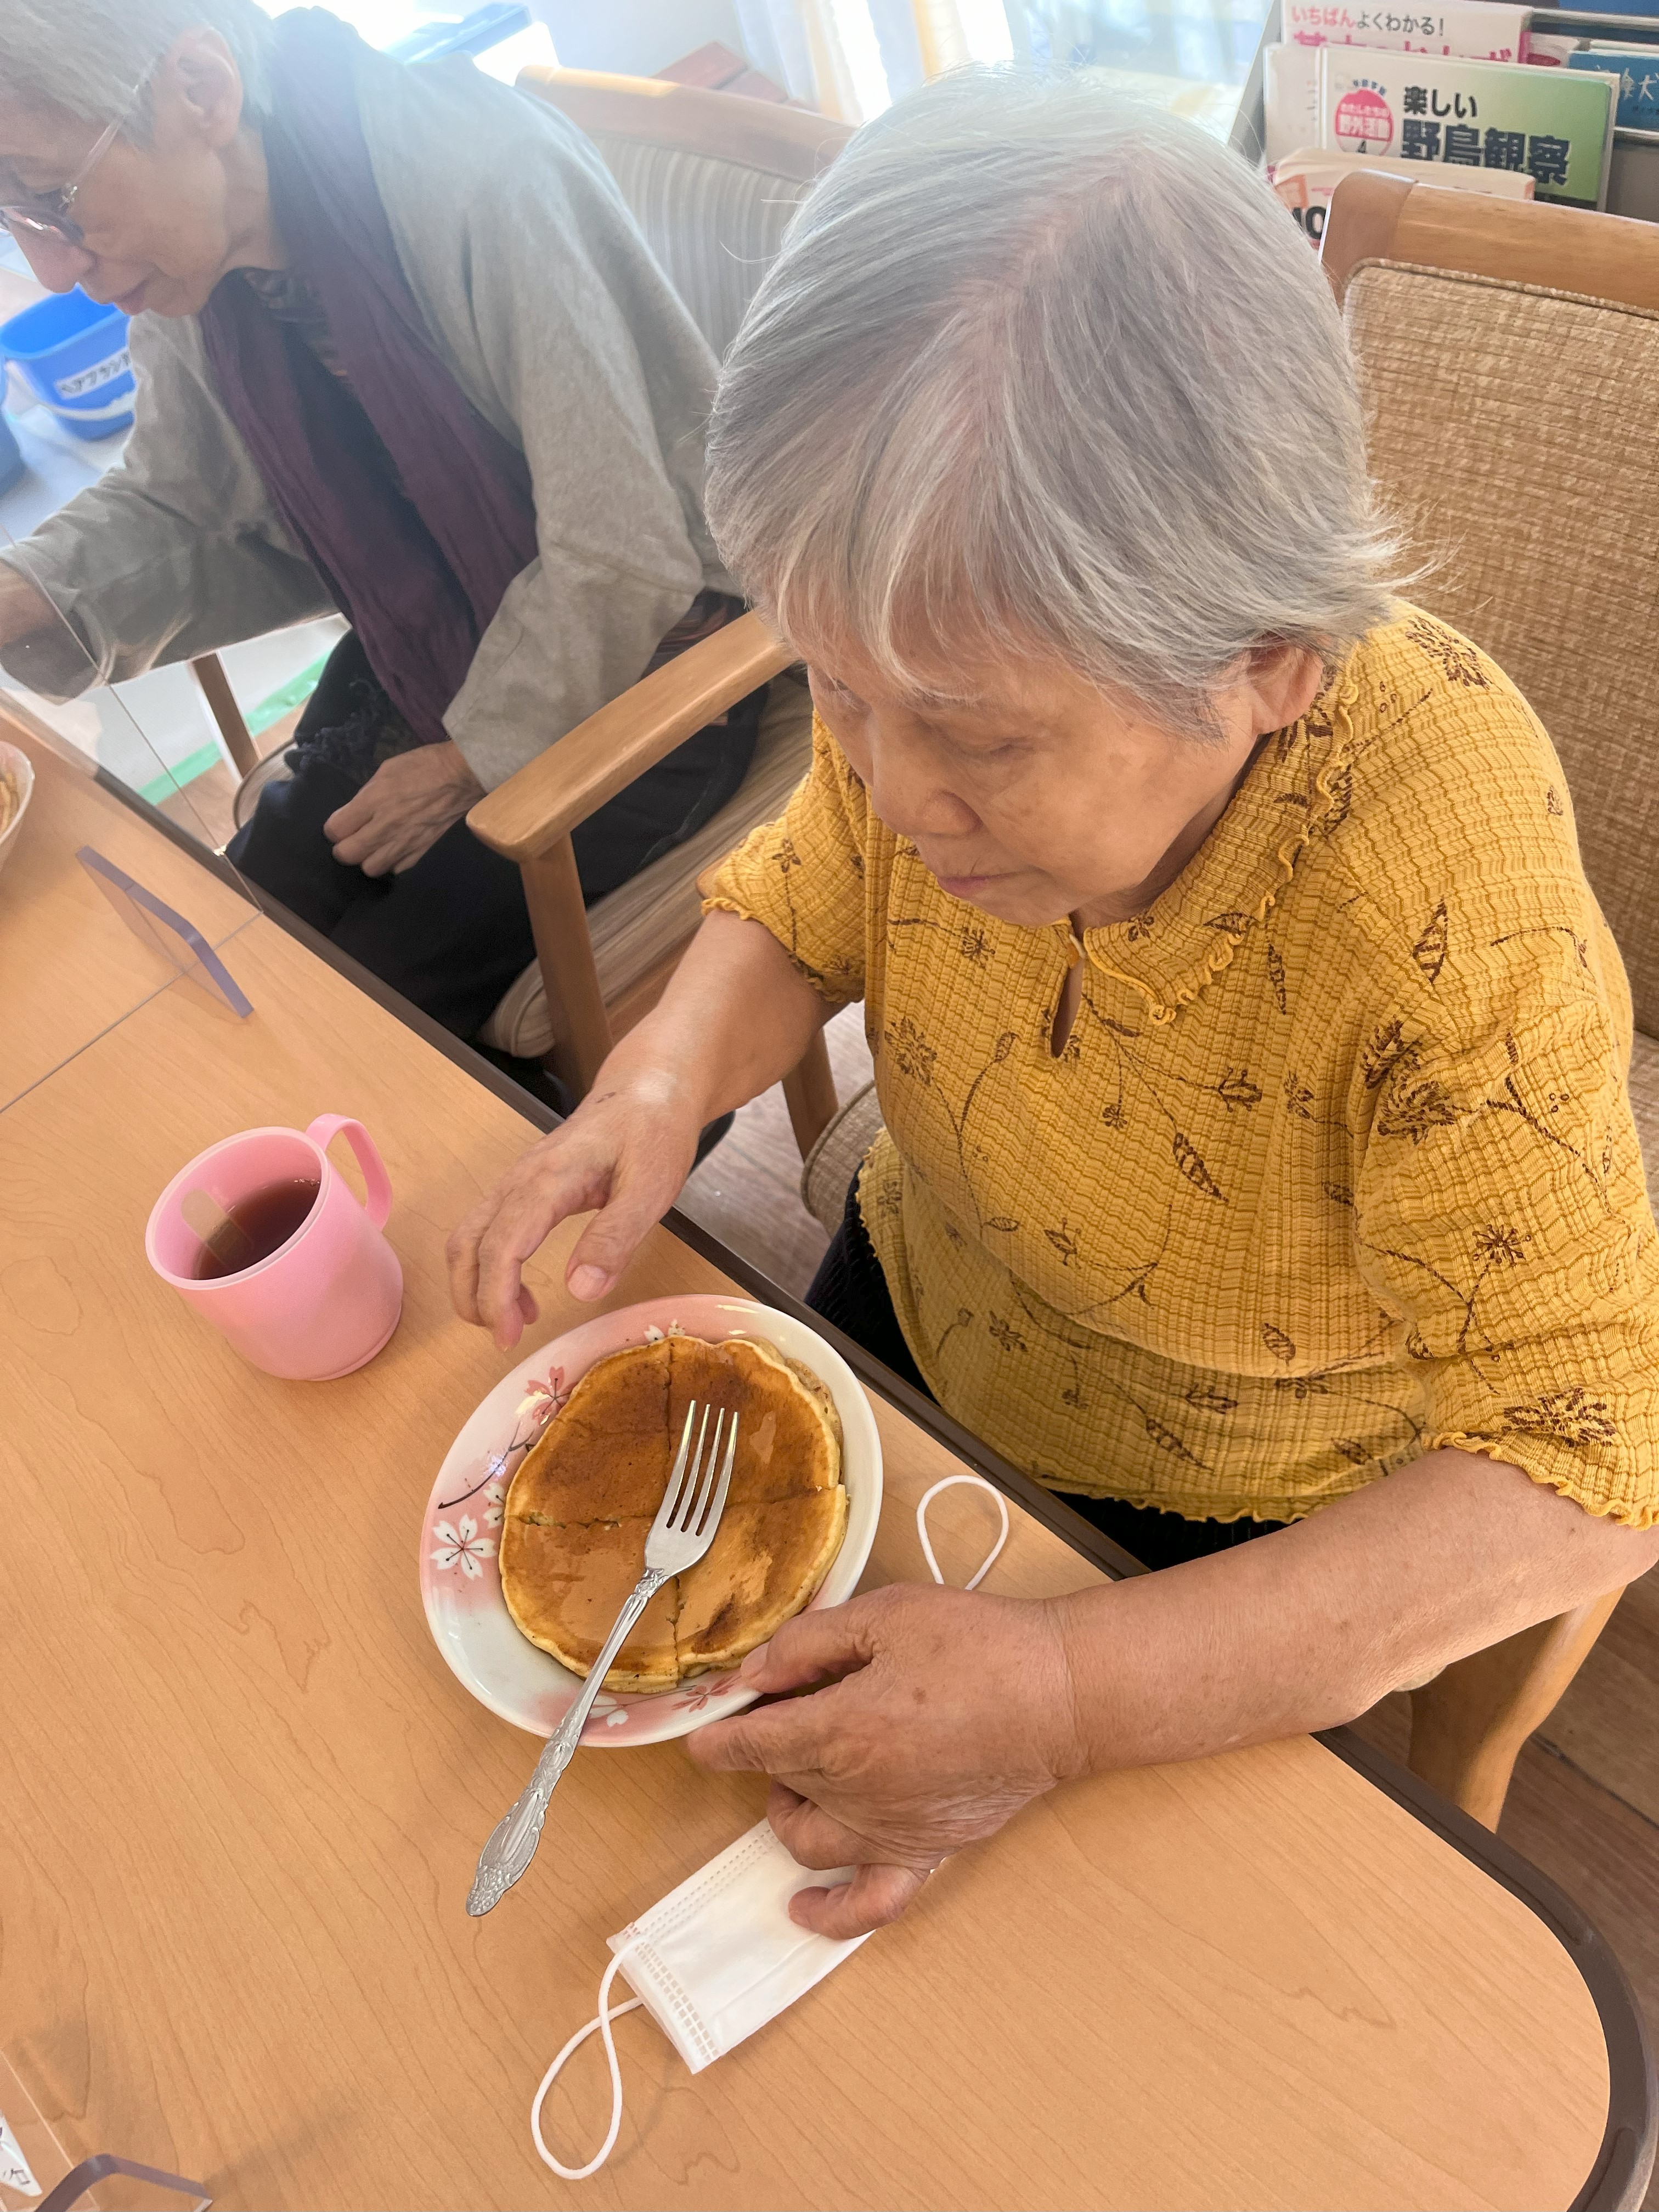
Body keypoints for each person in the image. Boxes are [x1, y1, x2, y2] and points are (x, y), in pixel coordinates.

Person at [446, 74, 1659, 1934]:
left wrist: (1073, 1695)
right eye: (838, 693)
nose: (888, 783)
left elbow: (1582, 1469)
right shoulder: (927, 668)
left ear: (1264, 662)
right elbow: (803, 893)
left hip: (1218, 1511)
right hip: (923, 1313)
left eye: (979, 741)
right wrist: (659, 1087)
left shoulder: (1441, 894)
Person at [0, 1, 759, 1080]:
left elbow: (623, 546)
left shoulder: (479, 183)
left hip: (650, 664)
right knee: (242, 931)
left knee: (362, 1023)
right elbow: (183, 498)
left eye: (52, 199)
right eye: (12, 217)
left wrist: (470, 757)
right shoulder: (200, 267)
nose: (57, 266)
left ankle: (597, 1129)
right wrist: (22, 591)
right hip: (447, 631)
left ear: (204, 93)